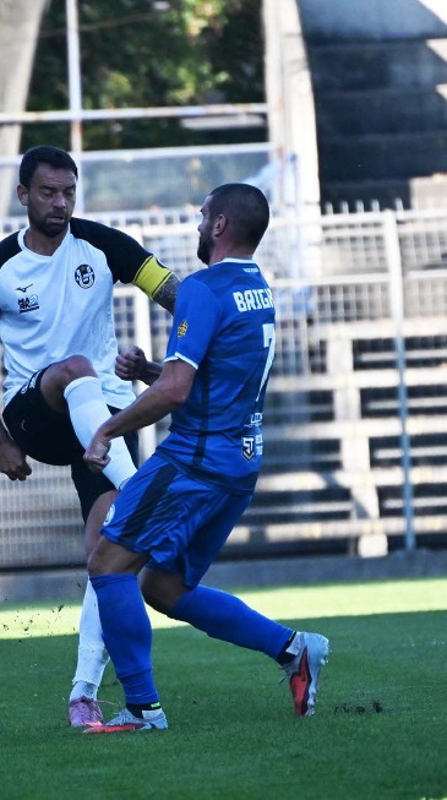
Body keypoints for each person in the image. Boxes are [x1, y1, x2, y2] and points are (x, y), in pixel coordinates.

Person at [81, 183, 329, 733]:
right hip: (239, 464)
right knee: (162, 588)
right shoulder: (257, 289)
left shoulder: (203, 289)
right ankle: (294, 650)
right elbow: (208, 378)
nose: (196, 227)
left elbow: (177, 392)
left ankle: (143, 710)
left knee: (107, 563)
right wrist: (152, 372)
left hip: (194, 462)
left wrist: (107, 430)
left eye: (201, 217)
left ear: (219, 226)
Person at [0, 145, 180, 727]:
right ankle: (141, 491)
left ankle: (83, 692)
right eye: (49, 192)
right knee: (75, 366)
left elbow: (172, 292)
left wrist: (189, 338)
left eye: (69, 192)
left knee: (106, 557)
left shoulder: (104, 245)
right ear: (23, 195)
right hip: (36, 412)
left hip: (101, 419)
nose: (61, 203)